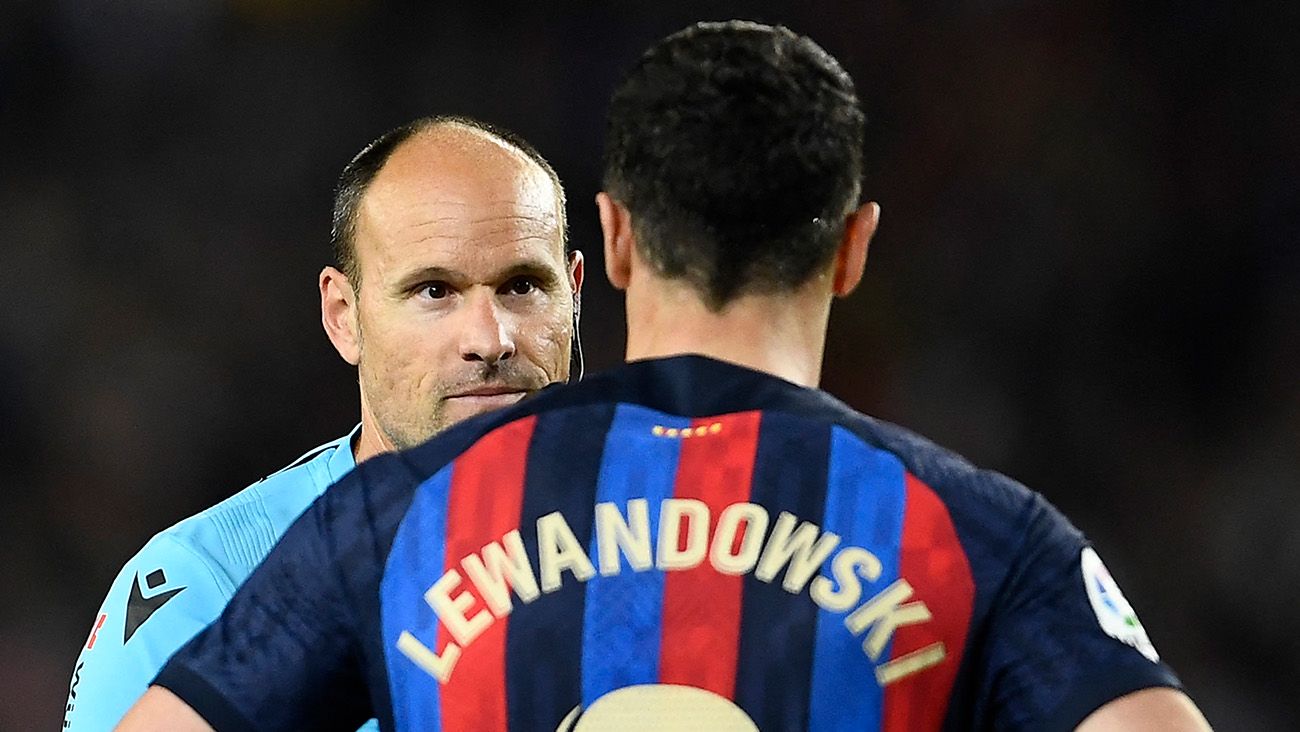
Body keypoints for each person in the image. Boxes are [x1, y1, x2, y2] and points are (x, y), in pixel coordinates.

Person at [118, 21, 1211, 731]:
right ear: (854, 248)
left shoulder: (401, 518)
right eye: (436, 292)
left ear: (614, 244)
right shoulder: (975, 531)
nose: (488, 336)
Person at [63, 115, 583, 731]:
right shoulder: (208, 584)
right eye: (434, 291)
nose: (489, 339)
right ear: (344, 316)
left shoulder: (672, 538)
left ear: (574, 294)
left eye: (523, 286)